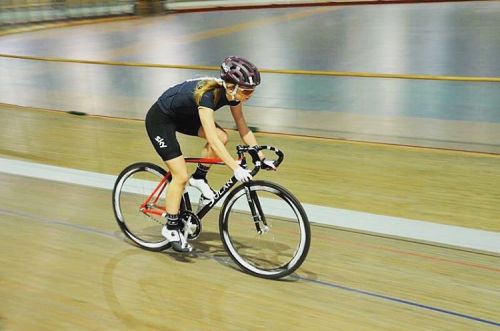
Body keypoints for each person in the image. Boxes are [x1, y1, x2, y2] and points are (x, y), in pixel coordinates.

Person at [145, 56, 276, 252]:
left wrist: (260, 156)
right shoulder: (207, 96)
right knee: (180, 175)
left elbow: (242, 127)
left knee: (223, 136)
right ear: (230, 86)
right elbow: (212, 141)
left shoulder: (233, 95)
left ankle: (199, 177)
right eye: (247, 91)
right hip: (161, 119)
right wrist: (235, 167)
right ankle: (171, 228)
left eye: (252, 91)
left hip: (185, 116)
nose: (250, 95)